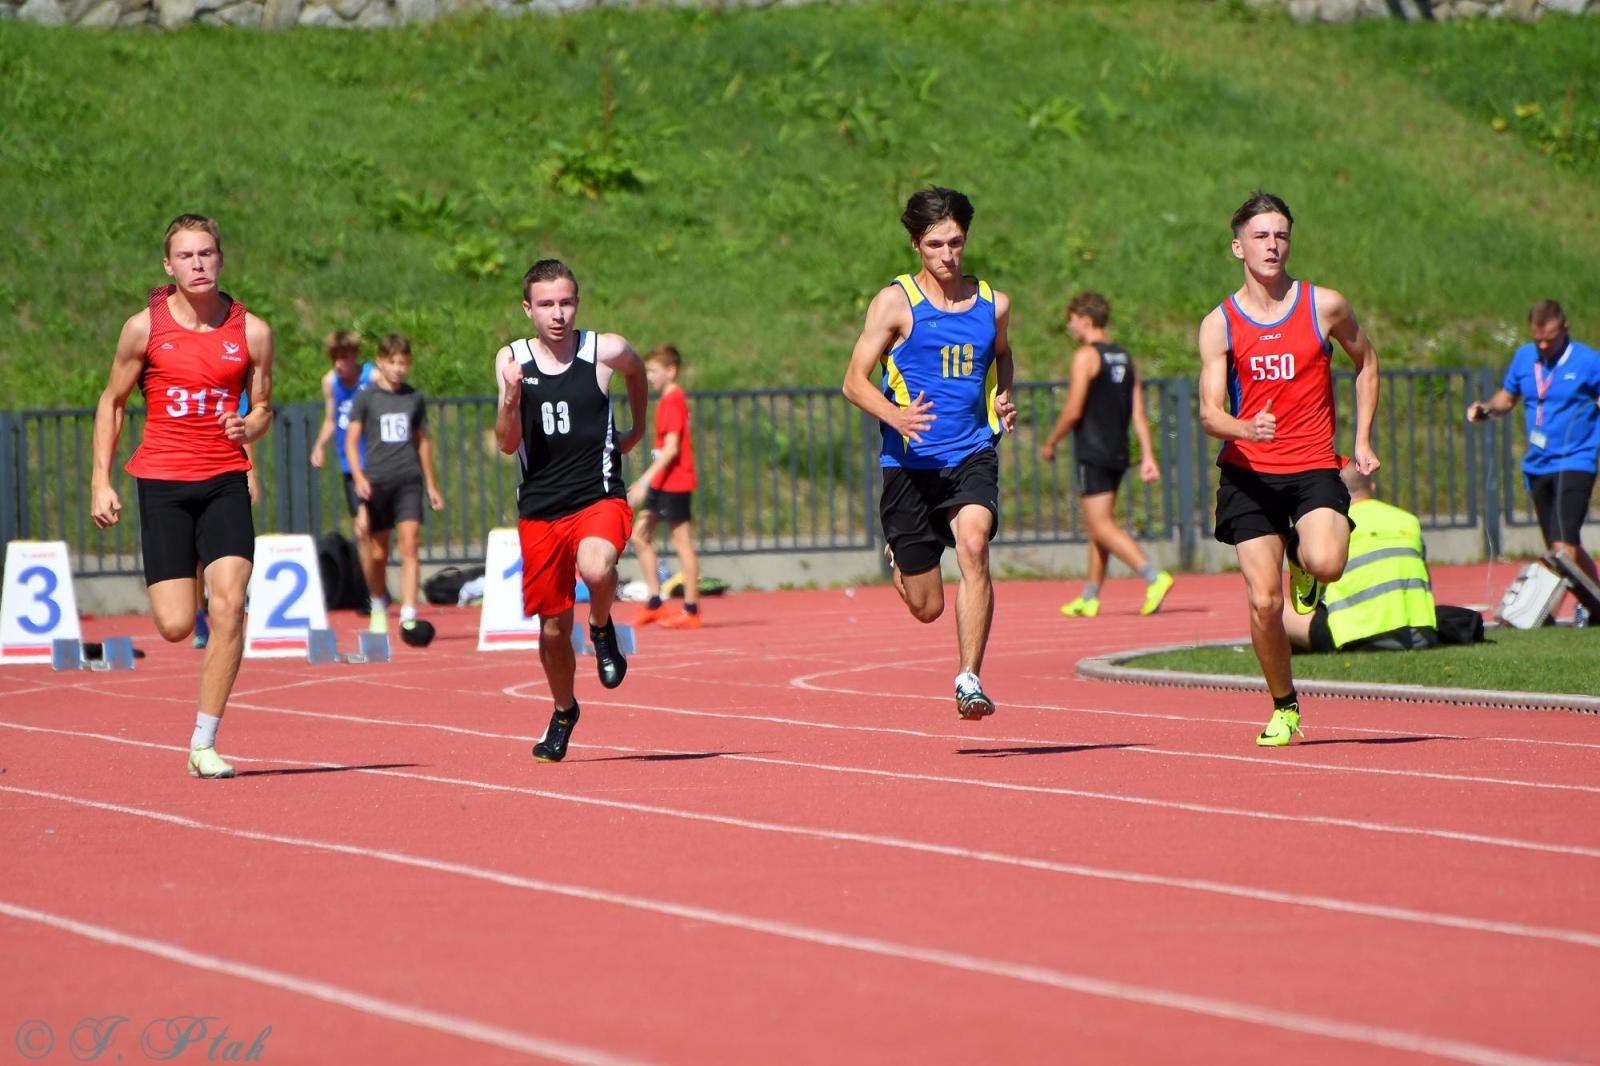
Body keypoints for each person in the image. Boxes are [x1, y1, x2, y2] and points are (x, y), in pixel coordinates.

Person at [90, 214, 275, 779]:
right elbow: (113, 402)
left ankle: (204, 742)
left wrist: (251, 426)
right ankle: (193, 563)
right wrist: (101, 479)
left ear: (221, 259)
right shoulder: (142, 329)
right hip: (164, 482)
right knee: (174, 624)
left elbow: (263, 405)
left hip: (223, 479)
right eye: (187, 256)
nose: (199, 264)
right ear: (168, 266)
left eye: (207, 254)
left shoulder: (254, 332)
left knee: (230, 606)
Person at [1197, 191, 1380, 747]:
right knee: (1263, 602)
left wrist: (1362, 438)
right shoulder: (1220, 323)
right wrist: (1243, 428)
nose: (1272, 245)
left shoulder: (1323, 305)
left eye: (1281, 235)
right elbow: (1208, 413)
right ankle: (1284, 705)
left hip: (1311, 468)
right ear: (1238, 247)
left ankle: (1304, 562)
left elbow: (1366, 362)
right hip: (1249, 474)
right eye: (1260, 236)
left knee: (1327, 563)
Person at [841, 186, 1017, 721]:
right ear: (916, 244)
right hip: (909, 466)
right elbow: (853, 381)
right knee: (927, 607)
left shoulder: (993, 304)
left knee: (974, 544)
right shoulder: (895, 303)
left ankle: (969, 678)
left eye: (957, 243)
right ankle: (903, 555)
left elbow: (1004, 357)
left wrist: (1004, 394)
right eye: (936, 244)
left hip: (971, 454)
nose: (948, 255)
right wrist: (894, 416)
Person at [494, 259, 647, 763]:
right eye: (546, 305)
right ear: (527, 309)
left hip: (597, 496)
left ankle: (601, 627)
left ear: (577, 303)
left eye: (565, 302)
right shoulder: (512, 360)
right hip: (540, 509)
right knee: (554, 630)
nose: (557, 314)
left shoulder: (605, 350)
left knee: (598, 566)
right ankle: (563, 711)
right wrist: (511, 399)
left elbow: (637, 370)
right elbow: (506, 444)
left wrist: (638, 426)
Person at [1039, 291, 1174, 618]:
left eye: (1071, 321)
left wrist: (1050, 442)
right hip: (1116, 452)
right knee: (1099, 524)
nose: (1070, 327)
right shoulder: (1125, 358)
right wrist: (1148, 456)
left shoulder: (1086, 356)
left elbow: (1073, 410)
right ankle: (1090, 595)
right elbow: (1140, 414)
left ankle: (1153, 576)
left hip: (1094, 450)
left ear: (1085, 320)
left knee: (1100, 526)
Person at [1467, 300, 1600, 623]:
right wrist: (1487, 409)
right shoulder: (1525, 357)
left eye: (1550, 338)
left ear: (1565, 330)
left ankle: (1539, 613)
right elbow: (1508, 397)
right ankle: (1597, 603)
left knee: (1562, 546)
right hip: (1538, 464)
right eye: (1538, 338)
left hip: (1576, 459)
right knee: (1565, 546)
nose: (1543, 345)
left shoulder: (1588, 361)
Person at [344, 333, 444, 642]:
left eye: (404, 363)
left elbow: (422, 441)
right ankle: (377, 603)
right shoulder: (366, 397)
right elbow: (351, 440)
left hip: (408, 480)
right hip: (377, 483)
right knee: (377, 552)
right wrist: (359, 477)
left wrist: (431, 484)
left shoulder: (413, 398)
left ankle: (410, 613)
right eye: (393, 362)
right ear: (381, 362)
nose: (399, 369)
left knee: (410, 542)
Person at [1283, 464, 1436, 653]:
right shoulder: (1408, 519)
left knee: (1276, 608)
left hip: (1357, 634)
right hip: (1421, 634)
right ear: (1371, 488)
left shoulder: (1332, 524)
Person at [628, 344, 702, 630]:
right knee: (639, 536)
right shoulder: (669, 400)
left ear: (671, 371)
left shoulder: (673, 399)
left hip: (675, 481)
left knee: (682, 542)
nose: (649, 376)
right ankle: (655, 600)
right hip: (664, 481)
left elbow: (670, 450)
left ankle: (691, 608)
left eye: (653, 371)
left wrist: (645, 481)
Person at [309, 329, 377, 601]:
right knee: (362, 529)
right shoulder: (330, 382)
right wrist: (319, 445)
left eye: (345, 357)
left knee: (374, 532)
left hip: (377, 460)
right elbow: (331, 418)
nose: (340, 364)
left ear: (355, 356)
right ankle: (370, 592)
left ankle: (375, 589)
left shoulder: (371, 377)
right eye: (335, 358)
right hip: (352, 466)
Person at [192, 393, 258, 649]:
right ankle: (199, 618)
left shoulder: (231, 383)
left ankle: (232, 606)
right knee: (194, 556)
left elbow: (242, 431)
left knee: (231, 549)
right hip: (186, 473)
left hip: (225, 478)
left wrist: (250, 473)